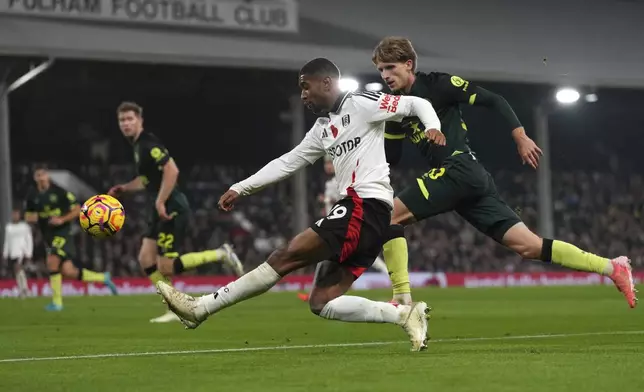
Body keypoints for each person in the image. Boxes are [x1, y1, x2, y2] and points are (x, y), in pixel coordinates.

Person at [156, 57, 446, 351]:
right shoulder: (323, 128)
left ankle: (201, 307)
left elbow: (415, 104)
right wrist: (241, 187)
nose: (303, 94)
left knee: (285, 255)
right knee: (322, 302)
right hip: (362, 214)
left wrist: (433, 126)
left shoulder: (361, 103)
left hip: (365, 204)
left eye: (306, 87)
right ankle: (404, 314)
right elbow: (288, 162)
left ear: (327, 83)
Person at [371, 36, 637, 308]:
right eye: (381, 70)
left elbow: (494, 100)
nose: (385, 75)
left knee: (389, 216)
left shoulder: (438, 84)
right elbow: (391, 157)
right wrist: (381, 129)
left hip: (457, 169)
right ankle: (612, 267)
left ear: (409, 64)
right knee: (530, 247)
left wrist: (520, 136)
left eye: (390, 67)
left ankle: (402, 297)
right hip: (466, 180)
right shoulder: (393, 107)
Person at [108, 102, 245, 323]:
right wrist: (125, 188)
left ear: (140, 120)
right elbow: (146, 180)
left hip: (171, 206)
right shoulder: (136, 147)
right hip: (158, 206)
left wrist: (161, 201)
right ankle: (174, 304)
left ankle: (220, 254)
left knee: (166, 266)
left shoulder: (148, 143)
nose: (126, 124)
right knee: (145, 260)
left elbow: (172, 170)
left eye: (130, 119)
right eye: (122, 120)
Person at [25, 165, 118, 311]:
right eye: (38, 175)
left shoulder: (60, 193)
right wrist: (36, 217)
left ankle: (57, 303)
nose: (41, 178)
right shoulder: (32, 195)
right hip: (48, 236)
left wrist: (62, 219)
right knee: (69, 271)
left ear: (48, 176)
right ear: (35, 178)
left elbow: (77, 210)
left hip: (62, 233)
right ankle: (103, 278)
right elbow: (28, 215)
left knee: (52, 261)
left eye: (43, 174)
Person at [297, 157, 389, 302]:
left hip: (344, 225)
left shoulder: (343, 181)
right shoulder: (330, 183)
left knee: (330, 256)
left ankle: (316, 293)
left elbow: (346, 201)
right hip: (333, 225)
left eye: (330, 163)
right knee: (329, 257)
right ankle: (318, 292)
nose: (327, 167)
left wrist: (328, 201)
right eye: (326, 164)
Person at [2, 205, 33, 298]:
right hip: (12, 252)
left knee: (19, 269)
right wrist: (5, 253)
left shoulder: (24, 226)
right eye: (13, 214)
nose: (15, 216)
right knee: (17, 271)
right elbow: (7, 241)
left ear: (20, 215)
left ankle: (24, 289)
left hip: (21, 251)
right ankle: (23, 289)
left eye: (16, 214)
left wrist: (29, 253)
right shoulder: (9, 227)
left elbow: (29, 240)